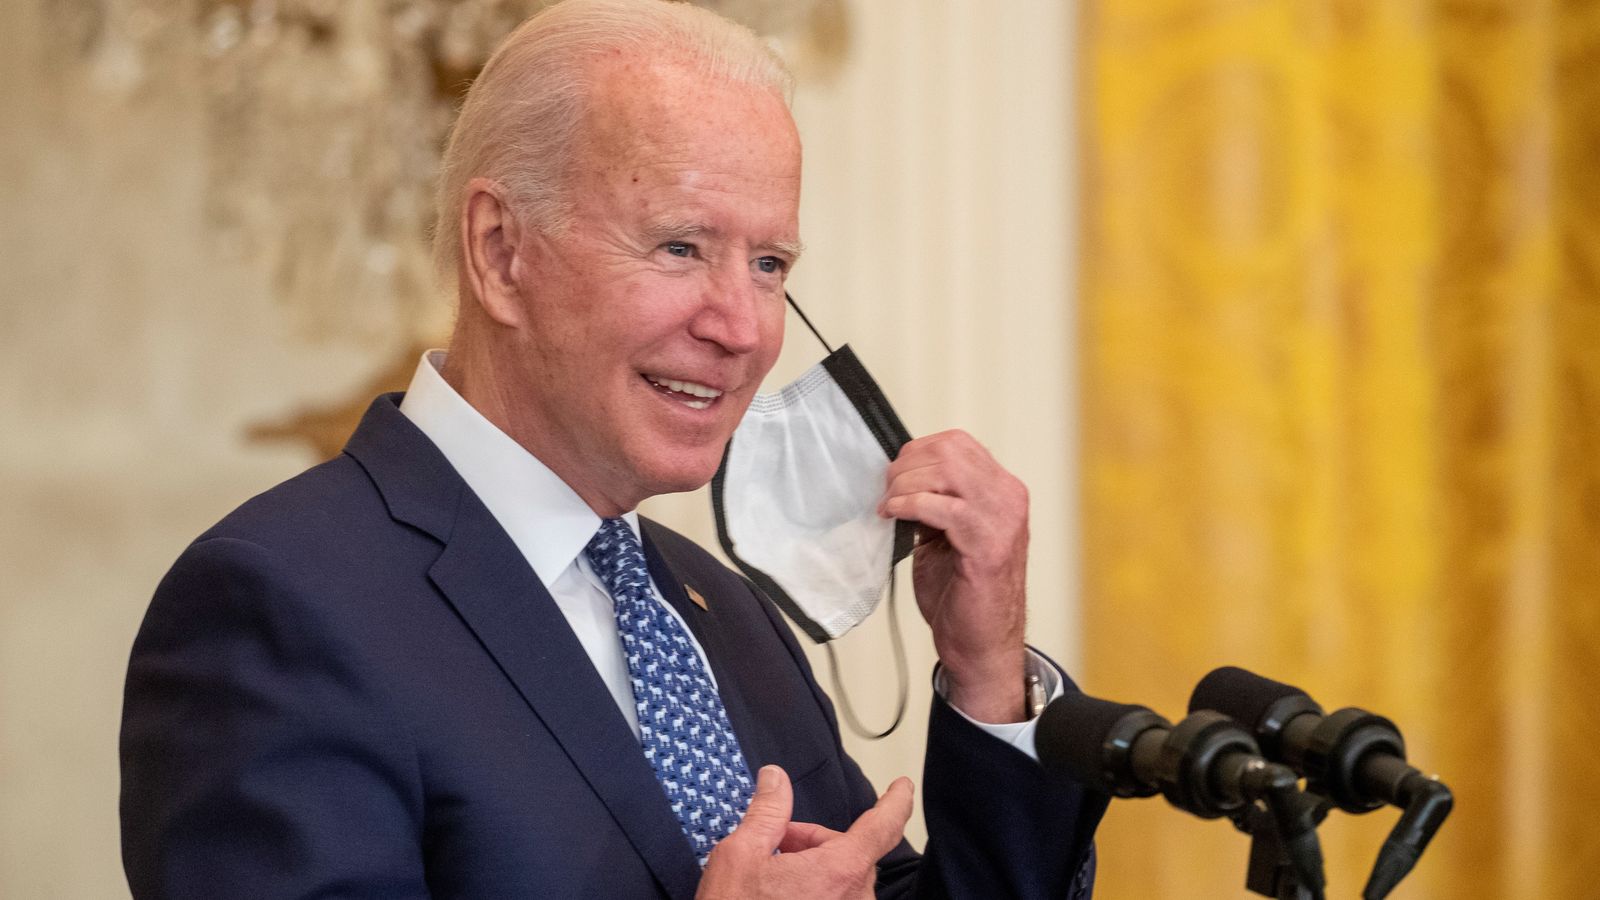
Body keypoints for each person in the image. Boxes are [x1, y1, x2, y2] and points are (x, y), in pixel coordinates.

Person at [119, 1, 1107, 897]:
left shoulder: (726, 613)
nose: (741, 328)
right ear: (501, 252)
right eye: (680, 247)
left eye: (769, 265)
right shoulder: (277, 604)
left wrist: (987, 673)